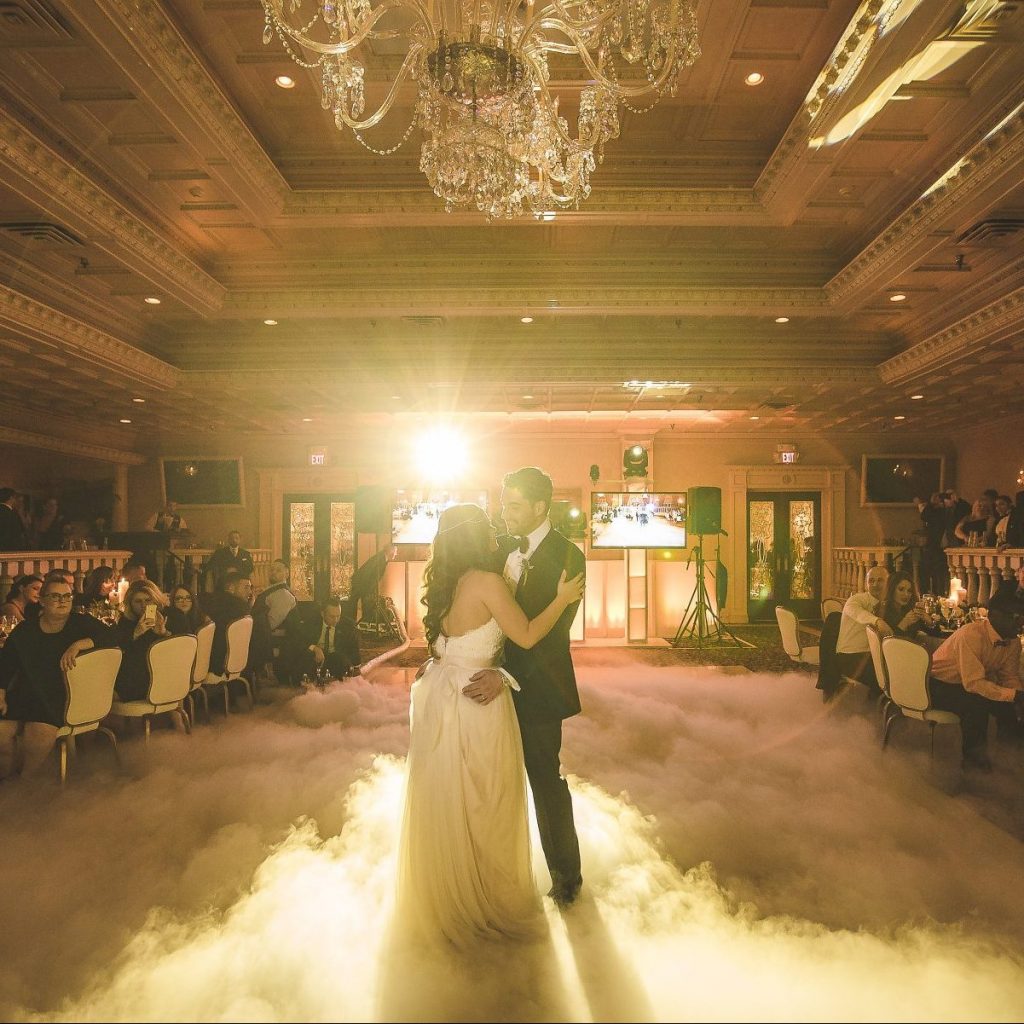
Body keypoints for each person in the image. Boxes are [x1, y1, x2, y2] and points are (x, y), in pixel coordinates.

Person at [397, 502, 584, 945]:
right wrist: (562, 598)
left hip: (443, 692)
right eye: (490, 524)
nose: (499, 525)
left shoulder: (446, 583)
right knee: (488, 800)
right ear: (477, 537)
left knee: (450, 796)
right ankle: (488, 896)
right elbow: (527, 635)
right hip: (478, 700)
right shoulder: (487, 581)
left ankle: (450, 892)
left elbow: (445, 643)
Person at [465, 466, 588, 908]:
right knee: (491, 780)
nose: (504, 512)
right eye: (503, 504)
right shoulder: (498, 550)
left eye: (513, 505)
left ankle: (565, 877)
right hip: (486, 685)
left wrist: (507, 676)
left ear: (540, 506)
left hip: (537, 690)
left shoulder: (569, 557)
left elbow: (551, 642)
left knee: (544, 780)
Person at [0, 576, 115, 779]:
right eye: (55, 596)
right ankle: (6, 783)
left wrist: (79, 644)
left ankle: (26, 785)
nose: (62, 601)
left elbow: (114, 636)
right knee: (1, 733)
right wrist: (0, 691)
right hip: (26, 693)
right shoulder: (26, 630)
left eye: (67, 596)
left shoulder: (80, 623)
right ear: (42, 600)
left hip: (62, 695)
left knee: (37, 732)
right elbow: (6, 662)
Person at [929, 591, 1024, 772]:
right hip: (937, 684)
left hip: (969, 684)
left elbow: (1009, 677)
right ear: (993, 615)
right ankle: (974, 768)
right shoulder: (970, 635)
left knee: (1009, 707)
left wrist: (1018, 698)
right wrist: (1014, 695)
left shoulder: (1013, 642)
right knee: (976, 705)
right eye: (1016, 617)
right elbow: (973, 684)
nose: (1021, 623)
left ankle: (1010, 759)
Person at [835, 566, 891, 691]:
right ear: (866, 584)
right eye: (871, 581)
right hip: (850, 657)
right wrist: (877, 621)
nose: (875, 584)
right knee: (889, 677)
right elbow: (856, 612)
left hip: (870, 655)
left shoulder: (886, 604)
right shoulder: (856, 599)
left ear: (888, 583)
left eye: (880, 580)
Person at [283, 595, 360, 682]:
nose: (336, 620)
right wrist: (315, 648)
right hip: (314, 656)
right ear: (322, 614)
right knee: (303, 660)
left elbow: (354, 650)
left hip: (336, 656)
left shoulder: (348, 626)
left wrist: (355, 667)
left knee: (342, 662)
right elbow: (297, 640)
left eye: (338, 616)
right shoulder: (311, 622)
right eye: (332, 616)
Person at [113, 580, 169, 701]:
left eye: (148, 600)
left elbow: (179, 649)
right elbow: (119, 650)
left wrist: (163, 633)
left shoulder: (168, 616)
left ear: (155, 600)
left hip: (161, 675)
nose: (143, 605)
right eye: (138, 601)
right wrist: (136, 633)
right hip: (134, 675)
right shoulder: (126, 622)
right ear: (130, 604)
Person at [201, 570, 253, 675]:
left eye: (250, 587)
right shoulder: (239, 608)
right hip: (227, 661)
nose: (250, 592)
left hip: (212, 660)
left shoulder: (214, 601)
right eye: (246, 587)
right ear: (231, 588)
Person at [249, 559, 296, 677]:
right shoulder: (271, 590)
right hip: (260, 633)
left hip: (270, 638)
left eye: (278, 570)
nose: (273, 572)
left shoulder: (284, 595)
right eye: (272, 570)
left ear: (287, 573)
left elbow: (270, 623)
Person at [878, 571, 929, 638]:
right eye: (901, 589)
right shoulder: (883, 610)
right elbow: (890, 642)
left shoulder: (908, 608)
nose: (906, 594)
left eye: (909, 591)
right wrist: (904, 623)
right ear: (892, 589)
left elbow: (928, 632)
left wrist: (929, 621)